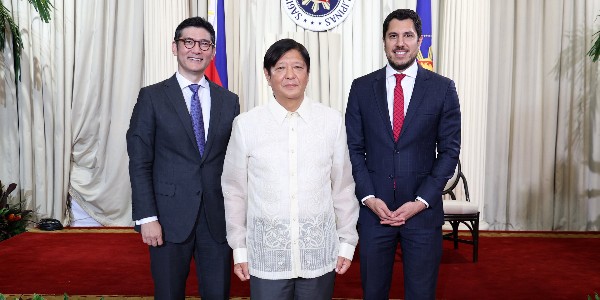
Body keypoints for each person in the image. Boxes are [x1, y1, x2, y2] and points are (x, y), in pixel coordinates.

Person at [221, 38, 359, 300]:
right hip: (267, 257)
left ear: (308, 73)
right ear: (267, 74)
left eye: (298, 67)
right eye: (280, 68)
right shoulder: (246, 125)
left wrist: (347, 241)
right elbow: (235, 191)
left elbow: (342, 186)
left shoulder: (331, 121)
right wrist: (239, 249)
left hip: (318, 253)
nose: (290, 75)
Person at [345, 9, 461, 300]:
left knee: (421, 294)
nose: (400, 42)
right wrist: (369, 197)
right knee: (373, 293)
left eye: (408, 35)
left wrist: (422, 200)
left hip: (422, 213)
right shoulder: (361, 88)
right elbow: (353, 149)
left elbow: (449, 151)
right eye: (393, 35)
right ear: (384, 41)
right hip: (375, 214)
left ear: (420, 40)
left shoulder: (442, 88)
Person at [126, 16, 240, 299]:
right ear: (174, 47)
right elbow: (139, 161)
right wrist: (146, 217)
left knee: (218, 294)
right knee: (168, 294)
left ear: (213, 51)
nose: (196, 49)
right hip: (167, 218)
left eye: (204, 44)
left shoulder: (229, 100)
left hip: (216, 220)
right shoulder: (151, 97)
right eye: (188, 42)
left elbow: (235, 163)